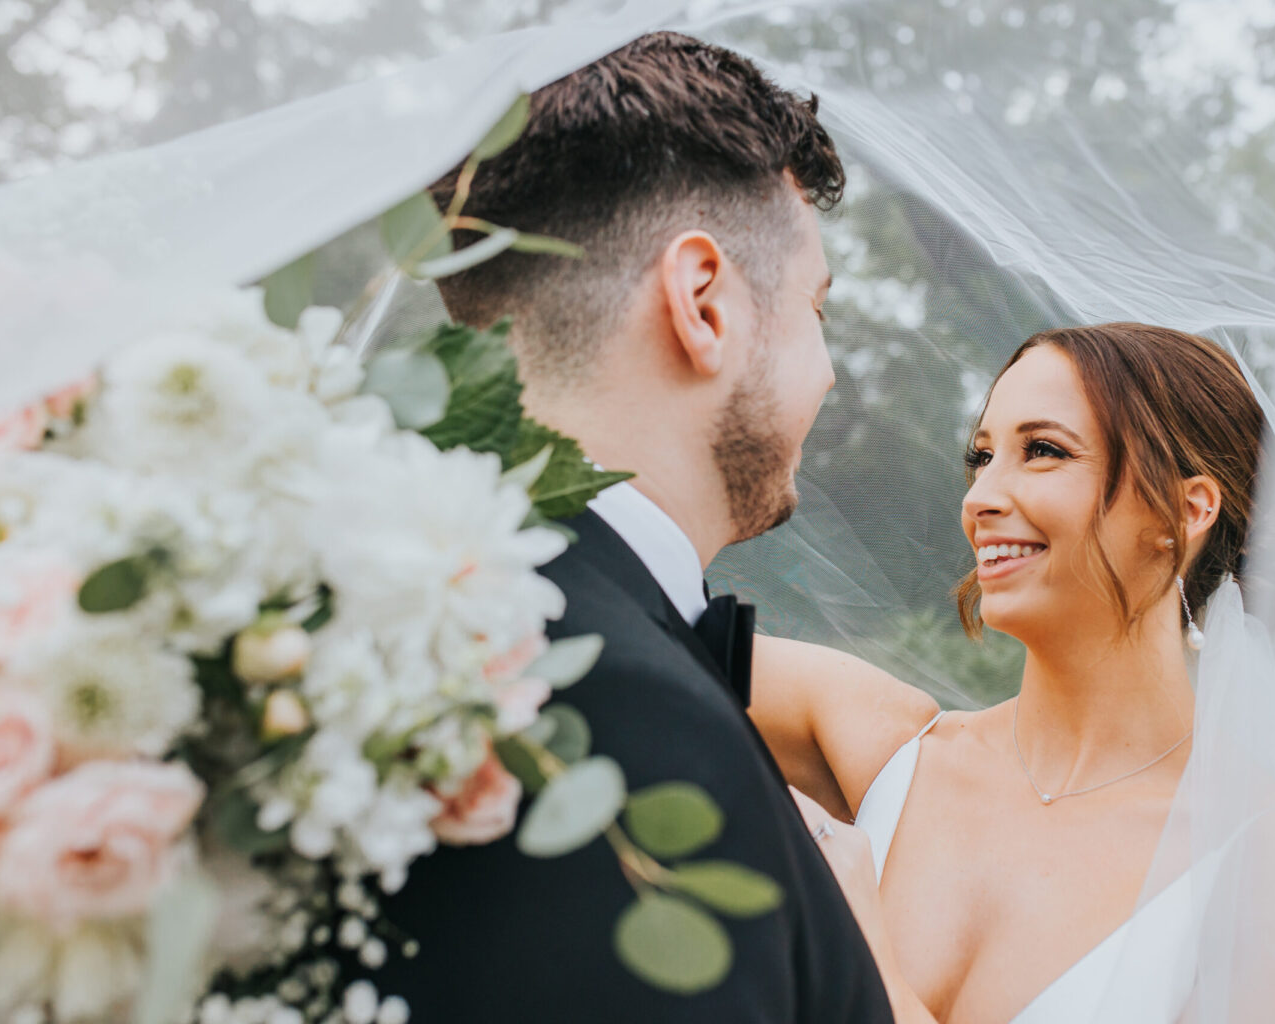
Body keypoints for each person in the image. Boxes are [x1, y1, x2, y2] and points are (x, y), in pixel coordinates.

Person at [368, 31, 895, 1023]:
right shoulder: (611, 717)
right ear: (703, 303)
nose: (826, 371)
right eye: (818, 310)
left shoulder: (378, 623)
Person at [751, 323, 1275, 1022]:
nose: (980, 499)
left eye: (1044, 451)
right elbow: (627, 595)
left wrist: (866, 958)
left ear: (1187, 509)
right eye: (983, 456)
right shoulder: (880, 745)